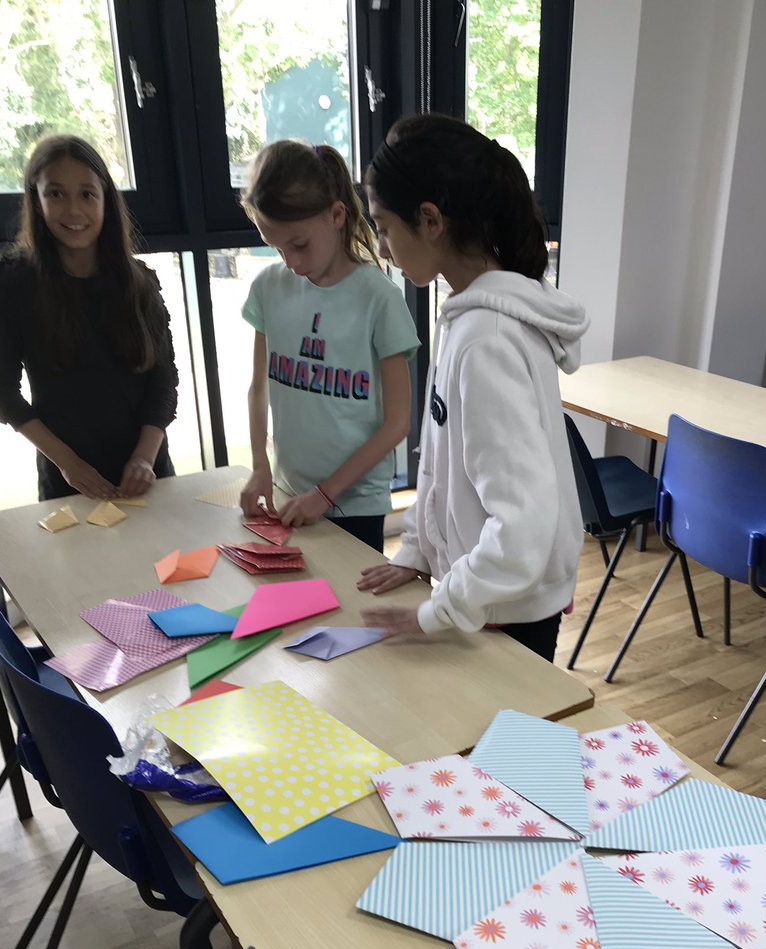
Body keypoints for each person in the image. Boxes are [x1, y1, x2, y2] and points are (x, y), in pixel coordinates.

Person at [357, 114, 589, 662]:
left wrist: (437, 613)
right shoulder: (467, 317)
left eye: (384, 226)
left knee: (509, 749)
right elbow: (441, 461)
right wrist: (416, 551)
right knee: (482, 742)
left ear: (430, 220)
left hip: (510, 605)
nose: (383, 248)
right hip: (491, 594)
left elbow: (524, 523)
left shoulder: (486, 339)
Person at [239, 140, 419, 553]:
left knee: (349, 614)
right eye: (277, 247)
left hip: (355, 504)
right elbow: (259, 387)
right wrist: (260, 467)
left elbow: (397, 424)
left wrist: (326, 494)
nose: (290, 262)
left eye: (299, 245)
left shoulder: (379, 298)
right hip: (288, 492)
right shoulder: (268, 288)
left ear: (337, 216)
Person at [0, 135, 178, 502]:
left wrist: (144, 457)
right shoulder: (11, 283)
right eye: (57, 194)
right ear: (36, 198)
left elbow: (163, 382)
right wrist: (68, 464)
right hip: (68, 481)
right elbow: (3, 392)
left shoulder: (140, 282)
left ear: (106, 199)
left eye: (87, 194)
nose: (74, 210)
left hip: (148, 476)